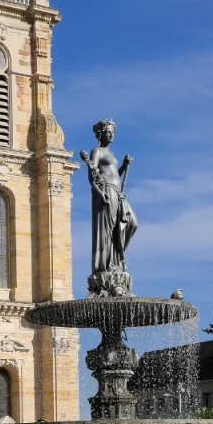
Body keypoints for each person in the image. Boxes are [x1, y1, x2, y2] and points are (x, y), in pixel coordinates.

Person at [80, 119, 138, 295]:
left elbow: (114, 175)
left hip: (117, 192)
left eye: (113, 132)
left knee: (131, 224)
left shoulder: (111, 153)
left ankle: (118, 260)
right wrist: (99, 192)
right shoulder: (96, 151)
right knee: (108, 231)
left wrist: (124, 166)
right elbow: (93, 175)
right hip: (105, 192)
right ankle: (107, 265)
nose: (112, 135)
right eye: (109, 132)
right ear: (101, 133)